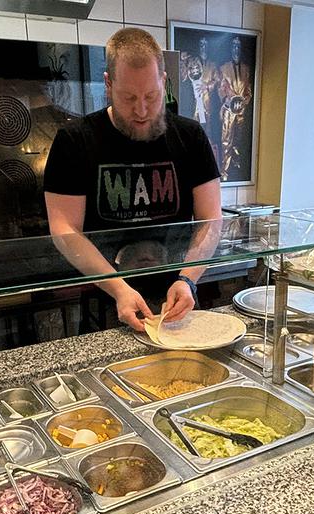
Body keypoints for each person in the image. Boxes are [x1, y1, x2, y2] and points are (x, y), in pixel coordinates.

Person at [43, 28, 222, 332]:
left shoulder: (191, 137)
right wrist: (119, 289)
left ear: (163, 82)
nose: (141, 110)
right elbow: (64, 228)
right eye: (129, 98)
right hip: (106, 298)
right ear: (108, 85)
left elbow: (211, 219)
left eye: (151, 97)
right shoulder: (74, 141)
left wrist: (188, 278)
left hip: (177, 299)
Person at [218, 36, 253, 180]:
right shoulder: (223, 68)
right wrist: (227, 95)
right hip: (228, 110)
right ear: (230, 49)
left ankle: (236, 167)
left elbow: (248, 92)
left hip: (241, 112)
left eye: (238, 47)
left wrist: (244, 101)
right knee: (226, 141)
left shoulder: (246, 69)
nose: (236, 50)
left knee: (238, 140)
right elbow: (220, 90)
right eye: (234, 47)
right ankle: (224, 171)